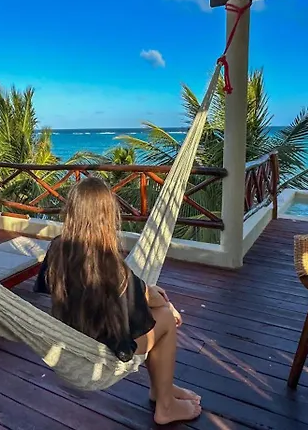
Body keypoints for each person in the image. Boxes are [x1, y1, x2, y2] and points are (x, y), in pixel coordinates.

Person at [34, 177, 202, 425]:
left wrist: (145, 290)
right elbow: (148, 302)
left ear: (71, 212)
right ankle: (165, 405)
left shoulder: (57, 249)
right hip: (103, 351)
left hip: (74, 337)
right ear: (107, 216)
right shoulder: (110, 264)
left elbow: (56, 287)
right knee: (165, 318)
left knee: (156, 310)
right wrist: (164, 303)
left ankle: (161, 389)